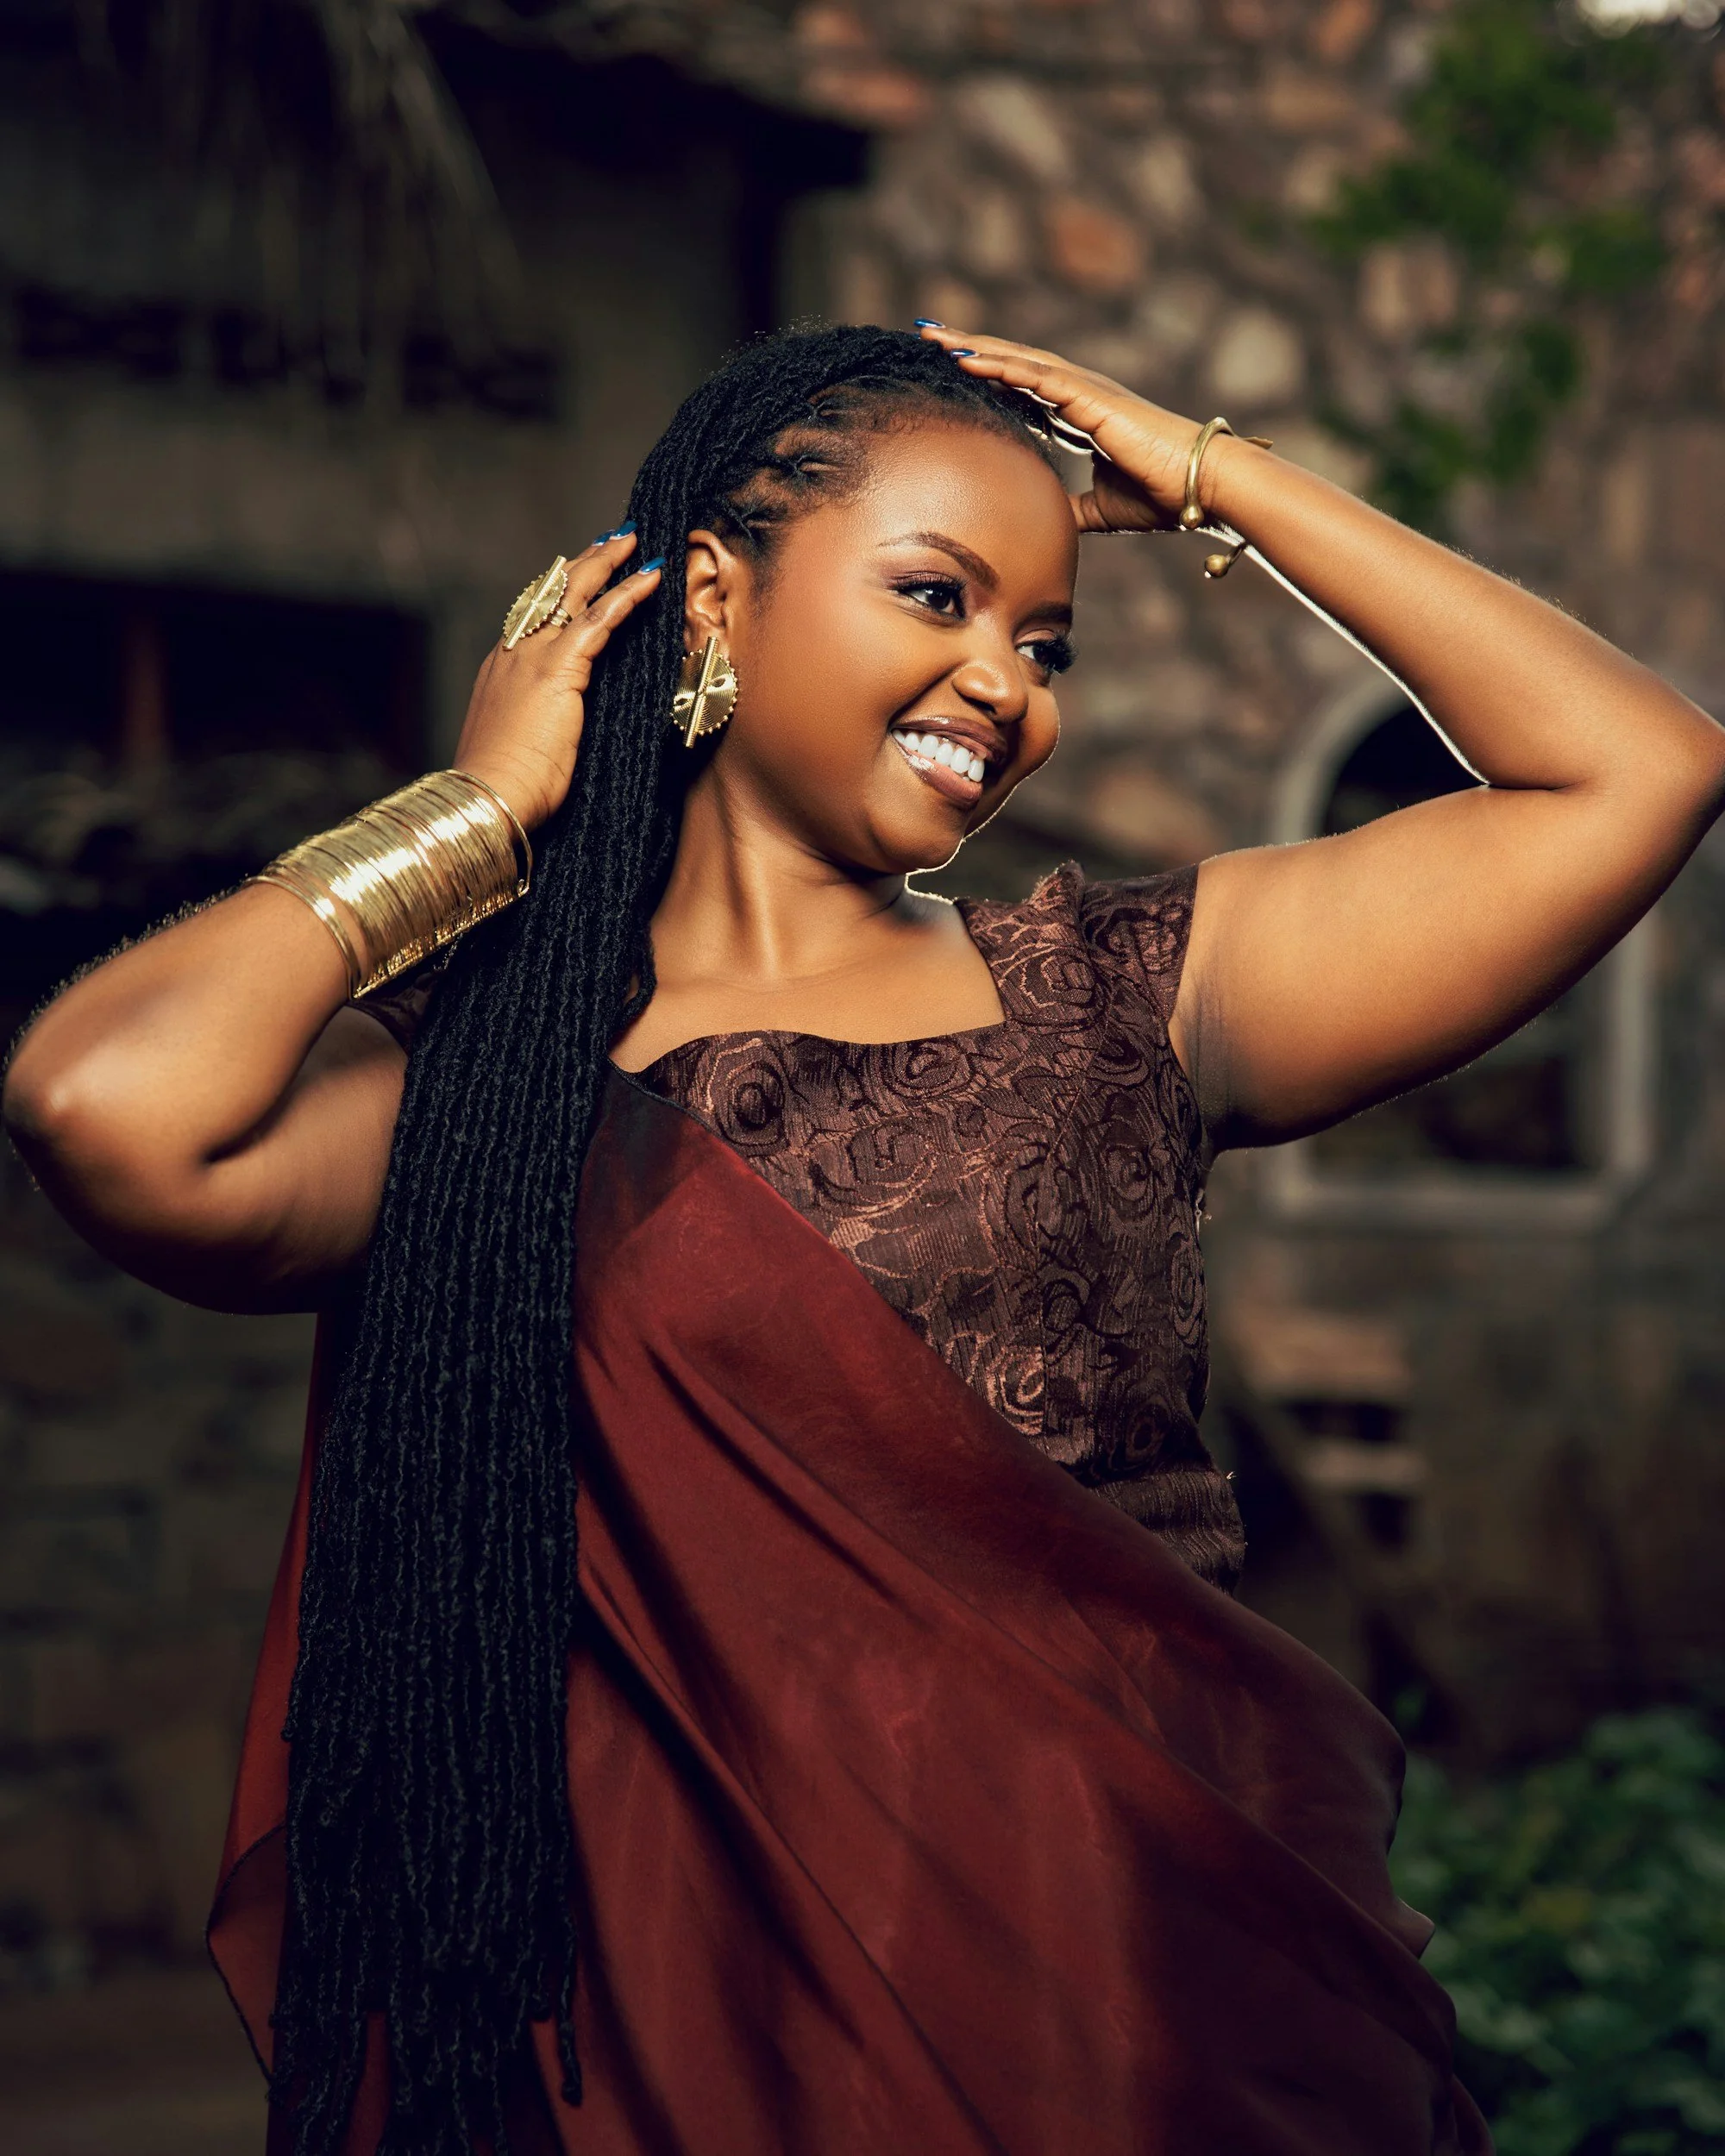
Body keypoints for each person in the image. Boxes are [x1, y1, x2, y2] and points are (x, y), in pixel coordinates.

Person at [6, 323, 1722, 2156]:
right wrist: (480, 812)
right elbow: (104, 1101)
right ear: (719, 601)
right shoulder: (491, 1090)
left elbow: (1635, 769)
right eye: (937, 593)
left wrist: (1219, 475)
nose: (1006, 683)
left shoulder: (1119, 994)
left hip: (1136, 1985)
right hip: (689, 2025)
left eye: (1045, 642)